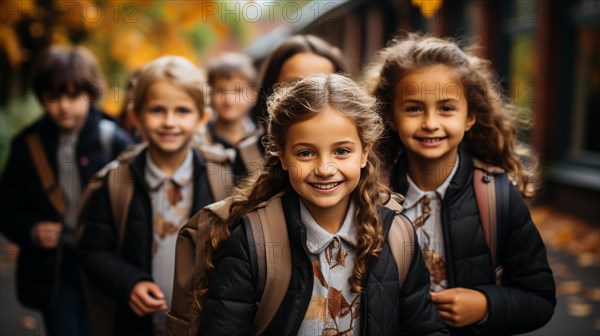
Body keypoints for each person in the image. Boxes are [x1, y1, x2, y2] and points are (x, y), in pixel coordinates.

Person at [196, 74, 449, 335]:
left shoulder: (397, 235)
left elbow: (425, 328)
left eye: (341, 151)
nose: (325, 169)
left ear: (364, 152)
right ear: (282, 157)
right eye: (305, 153)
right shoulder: (253, 242)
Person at [364, 33, 555, 335]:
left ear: (470, 117)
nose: (430, 123)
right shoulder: (370, 197)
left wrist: (486, 305)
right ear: (390, 115)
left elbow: (540, 299)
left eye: (446, 108)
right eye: (413, 108)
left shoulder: (497, 197)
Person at [77, 55, 225, 335]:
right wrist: (129, 282)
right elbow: (92, 251)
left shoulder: (224, 177)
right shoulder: (116, 181)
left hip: (203, 324)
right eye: (157, 110)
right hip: (137, 325)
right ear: (136, 116)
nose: (169, 122)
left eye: (182, 111)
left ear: (202, 118)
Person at [0, 44, 133, 336]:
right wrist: (32, 230)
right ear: (41, 96)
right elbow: (7, 206)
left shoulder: (112, 140)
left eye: (73, 96)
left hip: (105, 259)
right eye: (53, 96)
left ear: (90, 93)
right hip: (57, 265)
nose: (63, 105)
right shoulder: (27, 145)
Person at [251, 34, 348, 127]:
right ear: (270, 92)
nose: (309, 97)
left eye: (322, 84)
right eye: (295, 85)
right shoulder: (250, 144)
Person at [204, 52, 260, 180]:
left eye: (238, 91)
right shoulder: (201, 141)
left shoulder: (263, 137)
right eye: (220, 90)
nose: (229, 100)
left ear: (253, 94)